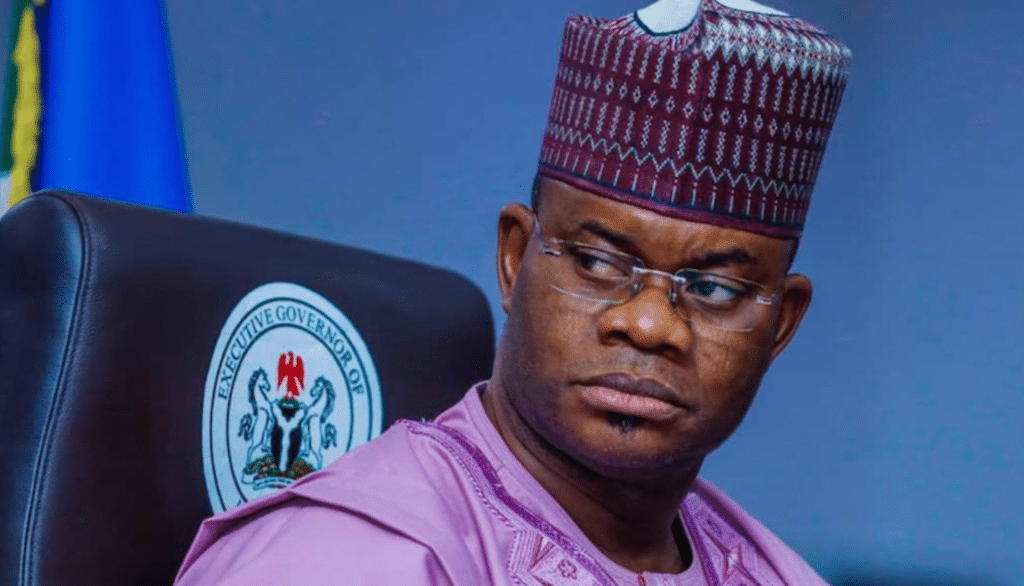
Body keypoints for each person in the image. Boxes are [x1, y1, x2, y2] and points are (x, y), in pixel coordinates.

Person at [175, 0, 851, 583]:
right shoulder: (347, 558)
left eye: (711, 287)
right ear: (515, 257)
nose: (649, 325)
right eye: (597, 262)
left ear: (781, 324)